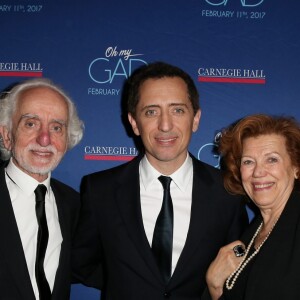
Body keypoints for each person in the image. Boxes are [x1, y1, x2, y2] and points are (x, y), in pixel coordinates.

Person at [72, 62, 248, 300]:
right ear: (134, 122)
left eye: (177, 110)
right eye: (151, 112)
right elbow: (82, 263)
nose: (165, 125)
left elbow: (238, 272)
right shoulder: (100, 190)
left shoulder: (227, 191)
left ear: (195, 119)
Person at [0, 78, 84, 300]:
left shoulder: (74, 205)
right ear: (7, 135)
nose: (45, 139)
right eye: (31, 123)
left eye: (56, 127)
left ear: (66, 140)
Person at [203, 114, 300, 300]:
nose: (258, 172)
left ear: (295, 166)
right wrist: (215, 286)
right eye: (248, 162)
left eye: (271, 159)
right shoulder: (252, 232)